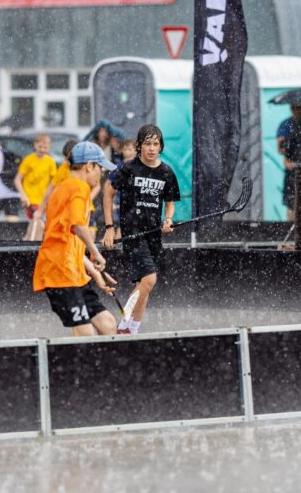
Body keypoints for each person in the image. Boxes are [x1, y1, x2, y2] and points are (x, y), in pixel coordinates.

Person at [32, 141, 118, 337]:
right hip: (59, 273)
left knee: (108, 324)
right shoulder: (79, 188)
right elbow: (78, 226)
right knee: (86, 333)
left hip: (74, 273)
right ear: (89, 165)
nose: (101, 173)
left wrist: (95, 273)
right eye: (100, 168)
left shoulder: (63, 189)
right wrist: (96, 253)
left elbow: (68, 239)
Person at [101, 124, 180, 335]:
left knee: (145, 286)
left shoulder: (166, 172)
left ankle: (131, 330)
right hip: (133, 234)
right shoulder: (128, 168)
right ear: (139, 146)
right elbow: (108, 192)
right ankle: (123, 325)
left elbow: (170, 202)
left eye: (155, 144)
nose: (151, 148)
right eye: (147, 144)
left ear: (161, 146)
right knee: (150, 279)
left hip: (153, 235)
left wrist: (168, 219)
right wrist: (109, 227)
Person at [15, 133, 58, 241]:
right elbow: (17, 180)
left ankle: (26, 241)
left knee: (35, 224)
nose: (42, 150)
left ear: (49, 147)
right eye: (40, 147)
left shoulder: (50, 162)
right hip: (31, 199)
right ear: (35, 145)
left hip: (43, 200)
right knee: (39, 224)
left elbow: (55, 182)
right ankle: (34, 246)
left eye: (45, 147)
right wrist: (23, 195)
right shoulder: (28, 160)